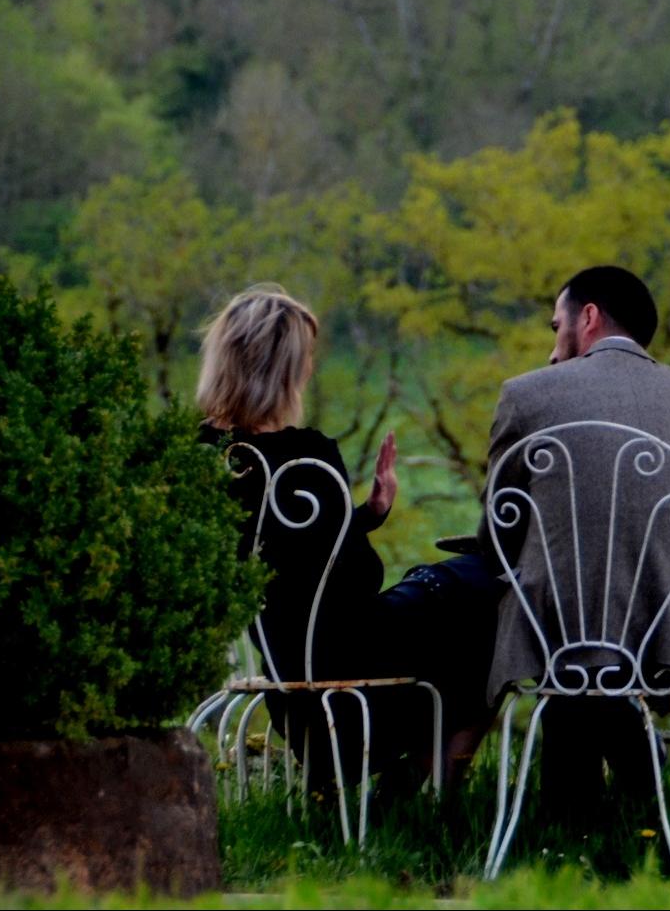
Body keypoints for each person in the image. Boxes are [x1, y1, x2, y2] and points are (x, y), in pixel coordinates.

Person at [195, 283, 499, 792]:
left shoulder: (208, 454)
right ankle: (417, 788)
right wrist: (358, 531)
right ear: (284, 369)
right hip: (349, 662)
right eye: (307, 357)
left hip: (284, 664)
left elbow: (280, 553)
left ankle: (407, 788)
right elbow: (356, 576)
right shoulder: (308, 457)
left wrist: (365, 515)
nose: (311, 369)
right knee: (488, 592)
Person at [481, 265, 670, 811]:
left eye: (558, 327)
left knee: (566, 657)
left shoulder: (527, 396)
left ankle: (570, 830)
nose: (553, 351)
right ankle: (642, 819)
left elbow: (497, 534)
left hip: (556, 633)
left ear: (589, 317)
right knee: (595, 680)